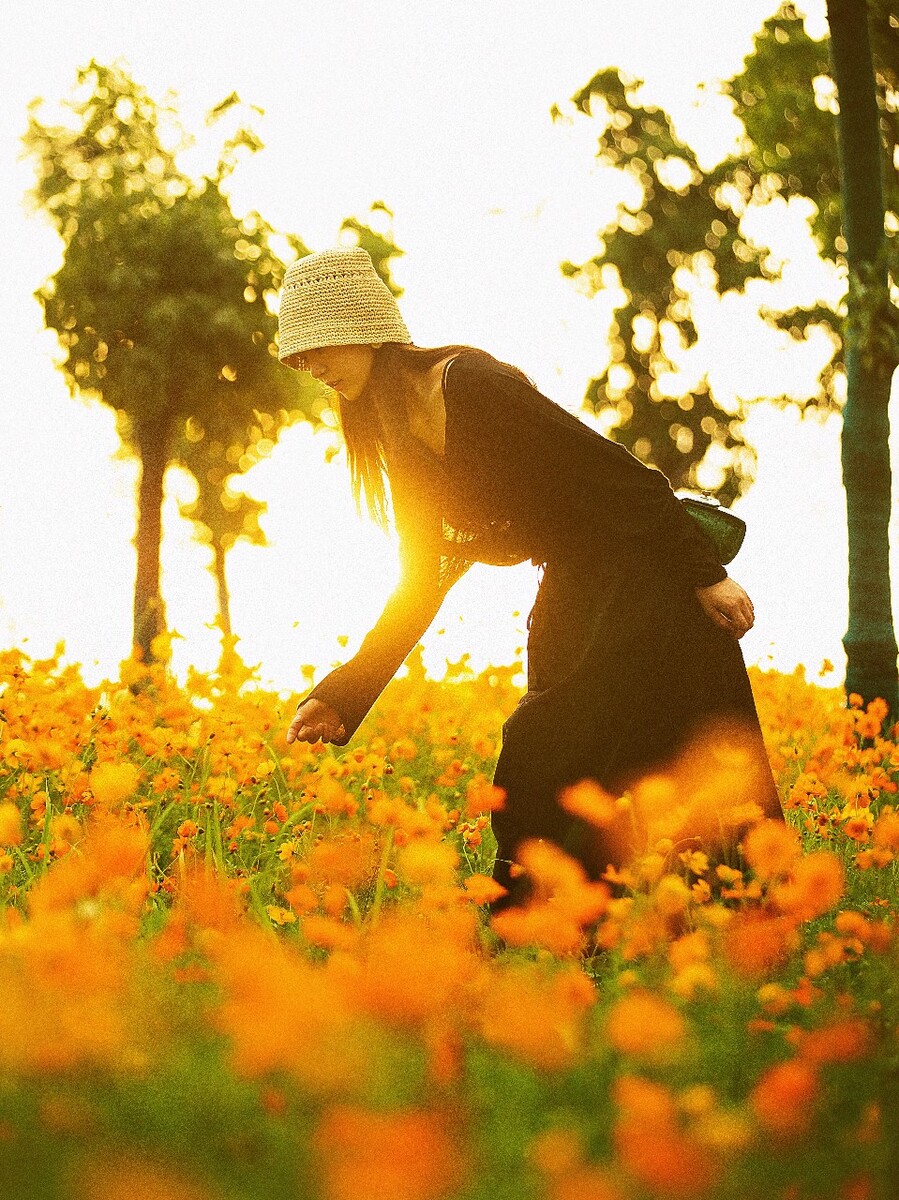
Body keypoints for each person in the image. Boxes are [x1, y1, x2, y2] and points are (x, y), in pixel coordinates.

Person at [279, 246, 783, 909]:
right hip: (574, 588)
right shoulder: (393, 433)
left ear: (363, 329)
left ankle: (541, 917)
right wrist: (348, 692)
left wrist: (705, 574)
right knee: (565, 761)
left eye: (318, 348)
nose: (311, 367)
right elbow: (421, 575)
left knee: (571, 752)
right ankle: (565, 922)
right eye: (299, 359)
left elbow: (618, 475)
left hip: (640, 576)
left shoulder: (471, 384)